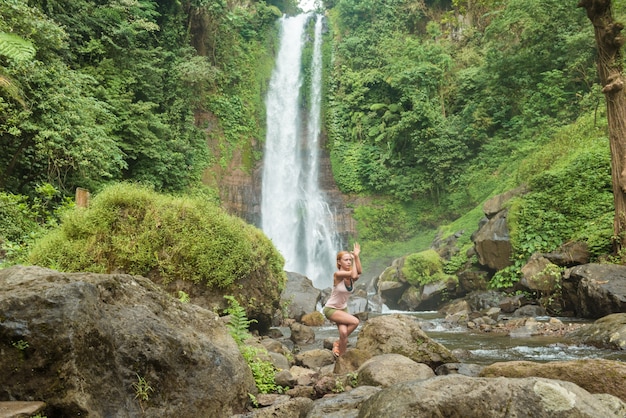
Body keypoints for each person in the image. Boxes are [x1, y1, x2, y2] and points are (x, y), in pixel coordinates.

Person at [322, 242, 362, 357]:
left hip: (343, 309)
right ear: (339, 262)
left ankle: (341, 358)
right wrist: (355, 259)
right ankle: (337, 342)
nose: (349, 262)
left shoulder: (351, 277)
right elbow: (354, 275)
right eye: (346, 260)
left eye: (350, 260)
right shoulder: (338, 275)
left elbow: (359, 272)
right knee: (355, 321)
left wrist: (356, 256)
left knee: (344, 333)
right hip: (331, 309)